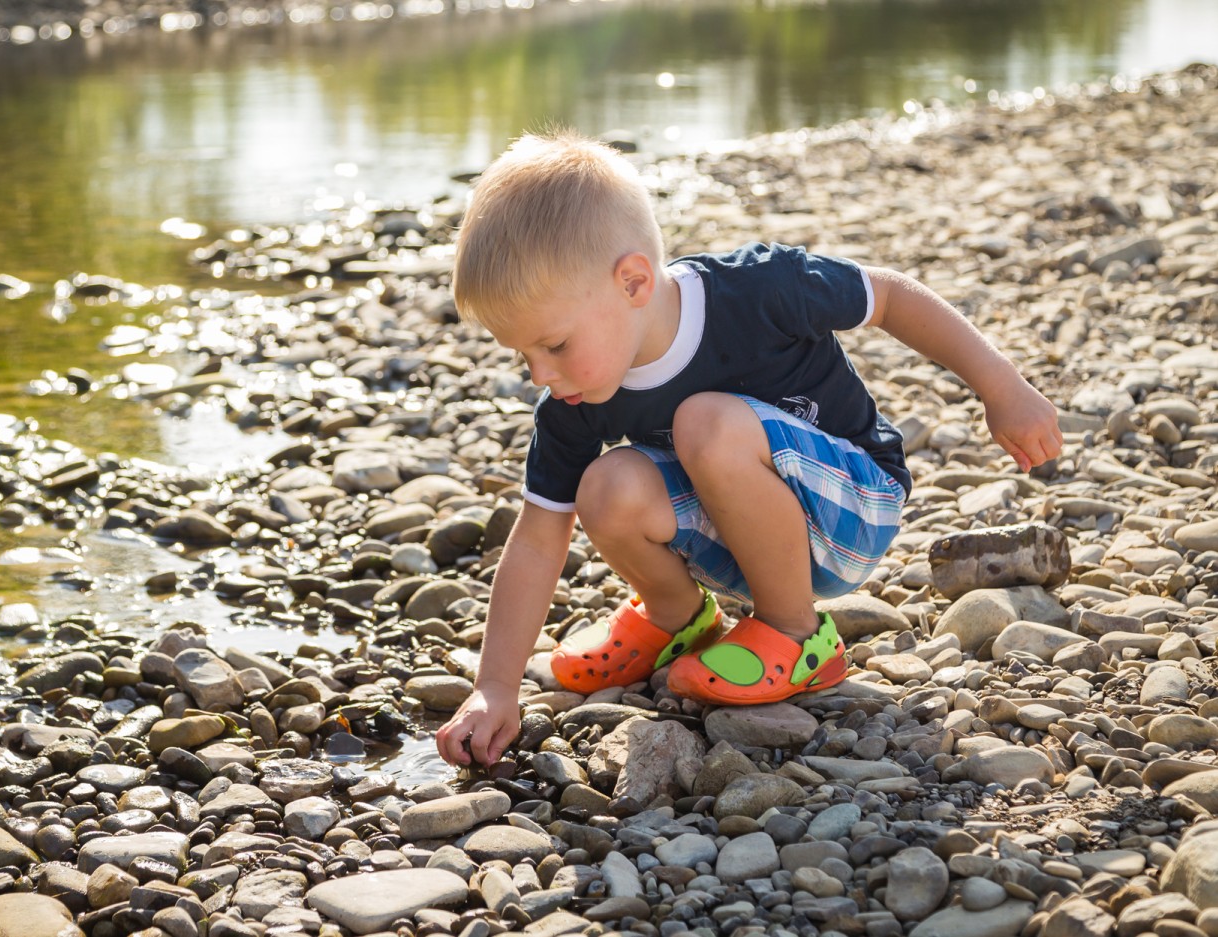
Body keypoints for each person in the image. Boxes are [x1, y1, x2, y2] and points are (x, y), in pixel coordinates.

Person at [434, 130, 1063, 768]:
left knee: (706, 422)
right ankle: (677, 618)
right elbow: (540, 536)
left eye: (555, 345)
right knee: (605, 486)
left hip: (852, 507)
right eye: (523, 355)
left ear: (632, 283)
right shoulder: (575, 397)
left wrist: (1001, 387)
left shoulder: (758, 289)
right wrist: (494, 688)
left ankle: (796, 634)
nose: (540, 373)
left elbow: (890, 297)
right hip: (740, 537)